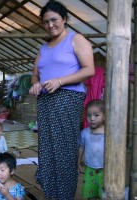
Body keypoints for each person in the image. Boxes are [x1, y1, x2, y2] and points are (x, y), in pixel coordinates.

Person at [28, 0, 95, 199]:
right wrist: (36, 84)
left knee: (64, 150)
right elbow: (34, 75)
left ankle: (64, 195)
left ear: (64, 19)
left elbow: (89, 70)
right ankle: (51, 194)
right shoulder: (43, 48)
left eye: (54, 20)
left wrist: (60, 81)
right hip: (46, 101)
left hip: (67, 99)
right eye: (46, 21)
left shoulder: (76, 39)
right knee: (47, 150)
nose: (50, 25)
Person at [78, 99, 105, 199]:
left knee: (104, 193)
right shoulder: (85, 132)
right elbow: (81, 147)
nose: (92, 118)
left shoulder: (108, 133)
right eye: (89, 115)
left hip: (105, 170)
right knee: (89, 192)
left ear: (104, 116)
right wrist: (78, 161)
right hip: (89, 168)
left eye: (96, 115)